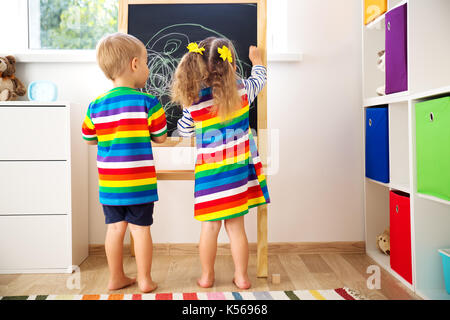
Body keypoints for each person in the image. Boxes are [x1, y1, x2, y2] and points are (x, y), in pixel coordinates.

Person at [172, 37, 270, 289]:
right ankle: (242, 277)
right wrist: (257, 61)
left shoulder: (194, 101)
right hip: (236, 176)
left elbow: (184, 131)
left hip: (209, 177)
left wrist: (189, 112)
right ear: (232, 65)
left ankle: (206, 277)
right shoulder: (243, 91)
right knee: (236, 229)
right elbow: (260, 78)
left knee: (210, 228)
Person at [81, 33, 167, 293]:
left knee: (115, 229)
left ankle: (116, 277)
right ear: (134, 65)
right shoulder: (148, 102)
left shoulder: (96, 105)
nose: (148, 68)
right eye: (147, 62)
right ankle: (144, 280)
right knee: (141, 231)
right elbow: (161, 137)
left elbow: (88, 138)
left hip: (110, 185)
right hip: (139, 184)